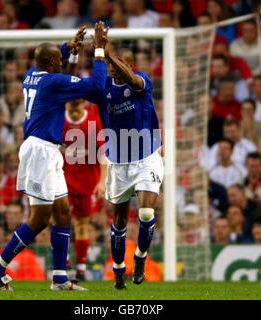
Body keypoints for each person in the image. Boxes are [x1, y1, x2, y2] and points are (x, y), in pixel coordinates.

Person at [0, 23, 107, 291]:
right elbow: (97, 86)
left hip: (48, 151)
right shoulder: (53, 81)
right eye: (60, 60)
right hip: (40, 151)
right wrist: (99, 51)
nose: (63, 62)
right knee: (40, 218)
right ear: (52, 63)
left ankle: (60, 279)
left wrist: (68, 48)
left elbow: (51, 59)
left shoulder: (32, 75)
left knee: (63, 214)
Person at [87, 38, 164, 290]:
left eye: (119, 64)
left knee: (145, 212)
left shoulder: (141, 81)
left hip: (146, 157)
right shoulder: (104, 88)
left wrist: (109, 56)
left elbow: (131, 79)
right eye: (111, 65)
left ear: (130, 65)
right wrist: (94, 55)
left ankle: (140, 259)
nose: (112, 69)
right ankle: (119, 270)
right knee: (119, 221)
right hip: (118, 163)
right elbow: (91, 84)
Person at [61, 99, 106, 281]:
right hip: (63, 179)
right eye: (71, 109)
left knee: (81, 224)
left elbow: (103, 153)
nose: (74, 113)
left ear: (83, 106)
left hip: (87, 182)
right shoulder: (59, 120)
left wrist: (102, 181)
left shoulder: (94, 122)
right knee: (61, 219)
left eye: (77, 109)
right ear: (65, 106)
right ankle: (63, 262)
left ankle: (80, 269)